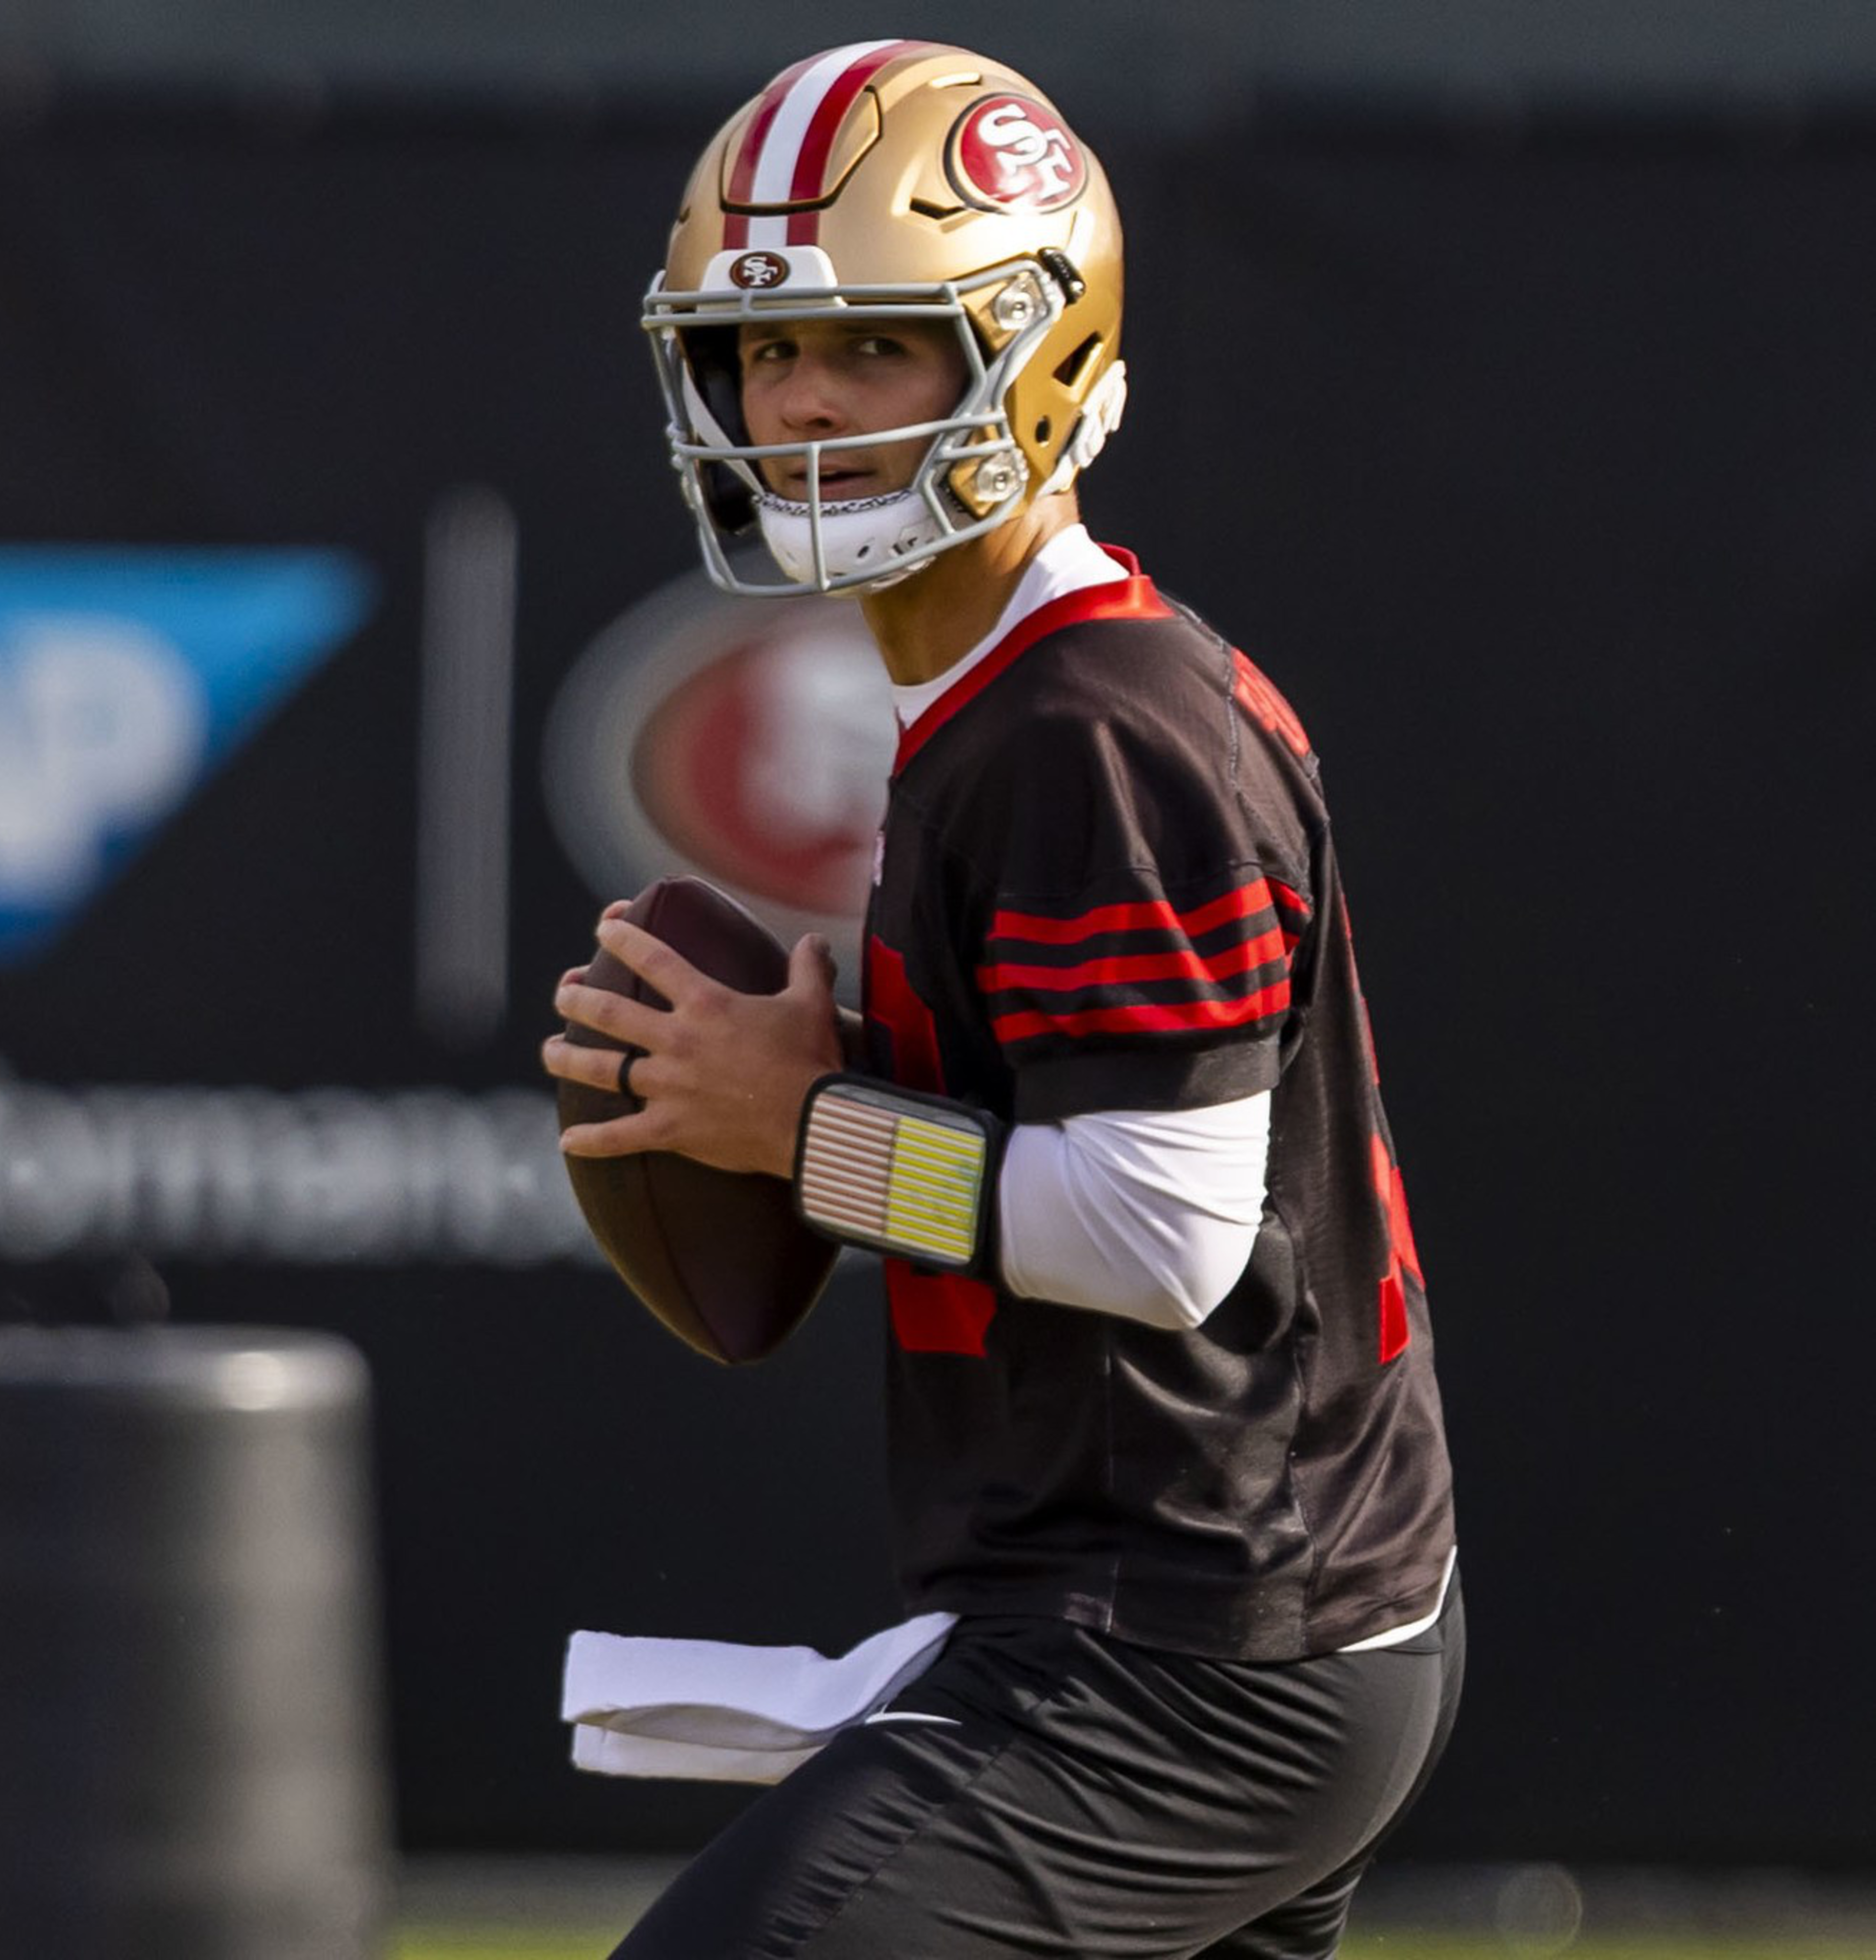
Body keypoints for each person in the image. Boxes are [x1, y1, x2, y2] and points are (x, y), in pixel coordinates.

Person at [543, 39, 1461, 1959]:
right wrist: (837, 1088)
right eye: (760, 352)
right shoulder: (1023, 700)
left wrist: (795, 1131)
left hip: (1188, 1655)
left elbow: (1160, 1234)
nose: (801, 402)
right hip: (1225, 1622)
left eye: (875, 346)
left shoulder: (1091, 729)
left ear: (1032, 351)